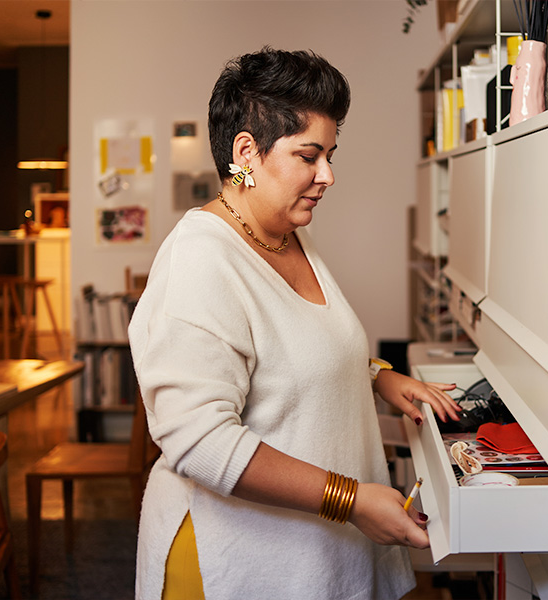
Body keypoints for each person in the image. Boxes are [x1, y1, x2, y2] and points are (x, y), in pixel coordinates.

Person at [128, 47, 462, 600]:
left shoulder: (286, 232)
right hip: (233, 565)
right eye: (309, 155)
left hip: (312, 558)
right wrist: (350, 499)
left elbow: (302, 347)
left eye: (330, 154)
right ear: (247, 153)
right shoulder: (200, 259)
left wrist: (380, 377)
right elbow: (201, 441)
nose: (327, 175)